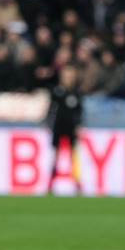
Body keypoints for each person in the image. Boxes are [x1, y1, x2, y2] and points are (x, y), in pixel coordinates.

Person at [46, 64, 83, 194]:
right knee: (55, 156)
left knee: (73, 157)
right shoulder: (56, 91)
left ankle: (78, 185)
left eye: (70, 76)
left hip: (71, 127)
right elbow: (51, 109)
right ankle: (50, 184)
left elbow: (79, 112)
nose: (67, 79)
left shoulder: (76, 93)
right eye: (65, 76)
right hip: (58, 126)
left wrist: (79, 125)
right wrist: (47, 122)